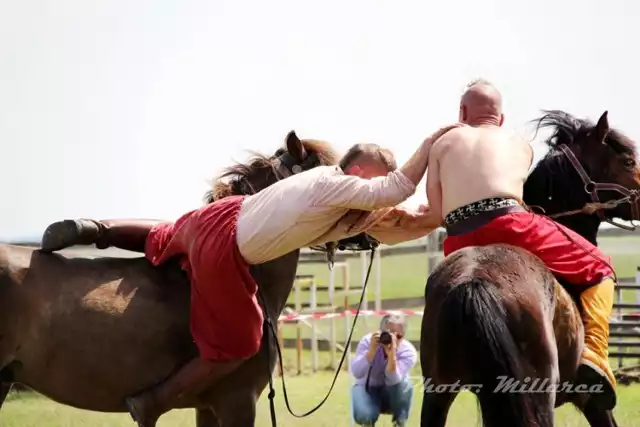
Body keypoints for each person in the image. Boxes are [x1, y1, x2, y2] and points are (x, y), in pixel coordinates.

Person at [38, 127, 458, 426]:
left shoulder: (326, 198)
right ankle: (153, 402)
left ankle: (96, 229)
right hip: (227, 245)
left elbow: (398, 216)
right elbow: (399, 188)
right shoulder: (339, 185)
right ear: (363, 173)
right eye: (377, 177)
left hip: (216, 216)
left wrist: (438, 213)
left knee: (165, 235)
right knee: (243, 341)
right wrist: (434, 141)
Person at [424, 78, 617, 410]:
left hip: (457, 240)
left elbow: (439, 212)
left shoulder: (442, 143)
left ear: (462, 112)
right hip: (511, 224)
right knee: (601, 267)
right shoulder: (517, 143)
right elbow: (514, 191)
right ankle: (595, 355)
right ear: (499, 118)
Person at [350, 314, 417, 427]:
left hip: (392, 393)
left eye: (398, 336)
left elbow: (394, 381)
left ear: (404, 336)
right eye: (388, 334)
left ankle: (399, 423)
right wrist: (371, 352)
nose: (393, 339)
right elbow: (357, 373)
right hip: (367, 388)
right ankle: (368, 421)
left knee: (405, 384)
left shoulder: (408, 352)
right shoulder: (368, 342)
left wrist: (392, 356)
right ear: (380, 332)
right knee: (366, 416)